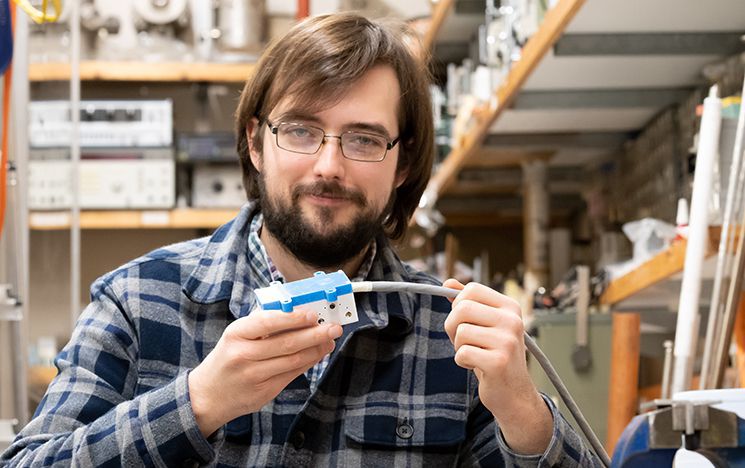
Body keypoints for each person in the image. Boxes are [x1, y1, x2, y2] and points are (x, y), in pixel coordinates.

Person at [2, 13, 600, 467]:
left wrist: (524, 414)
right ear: (256, 142)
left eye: (364, 139)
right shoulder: (138, 301)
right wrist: (199, 402)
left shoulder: (452, 334)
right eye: (301, 131)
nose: (328, 166)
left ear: (403, 163)